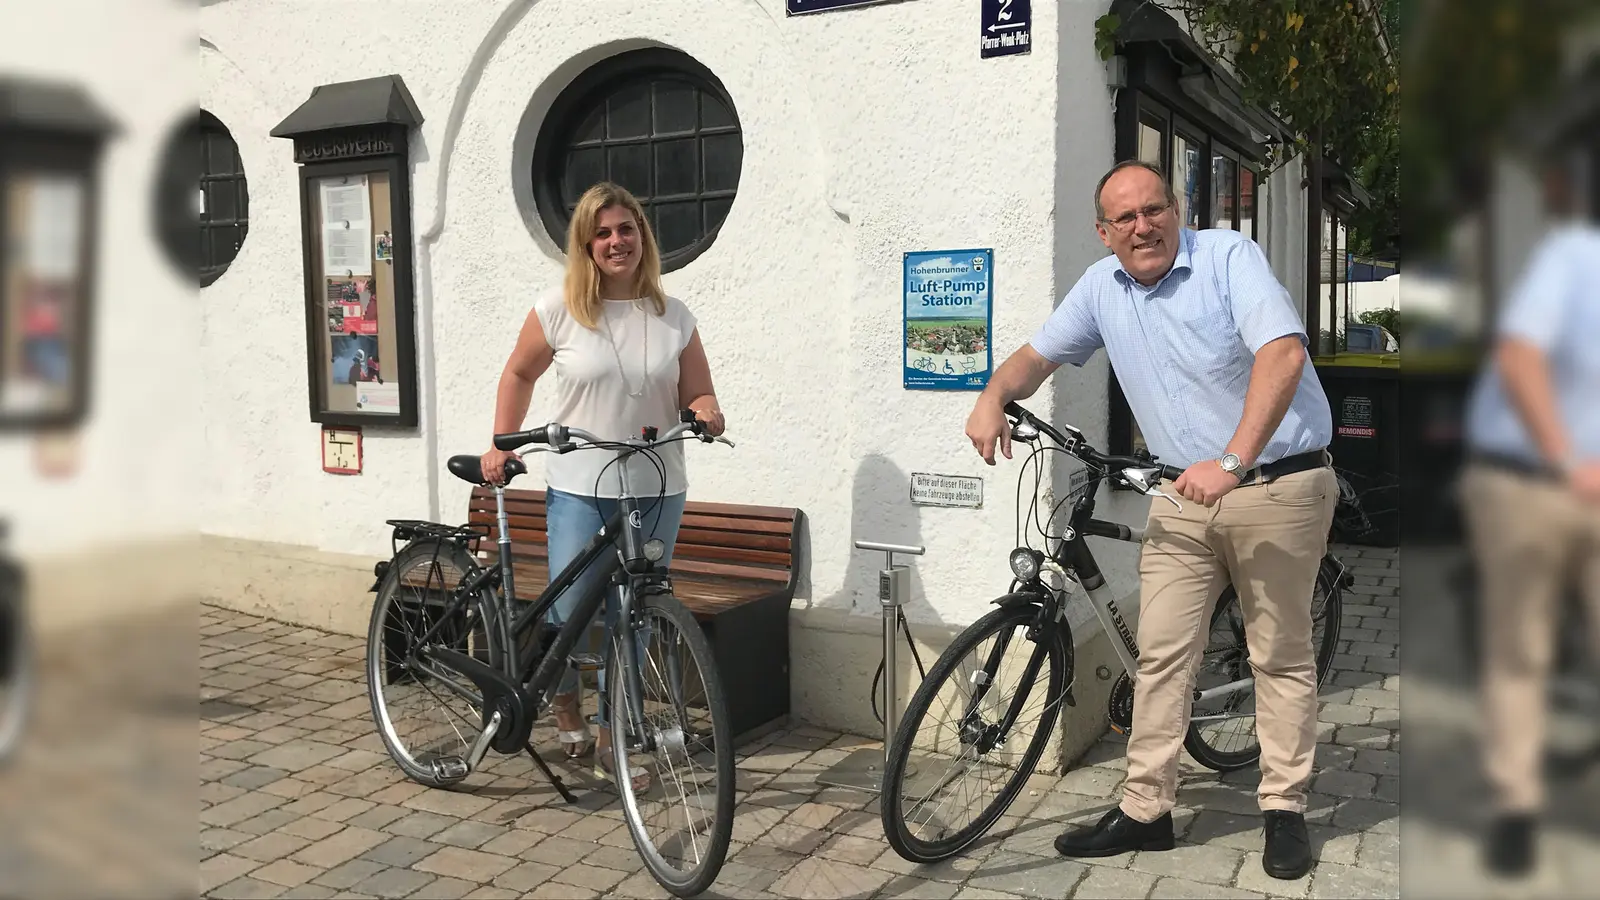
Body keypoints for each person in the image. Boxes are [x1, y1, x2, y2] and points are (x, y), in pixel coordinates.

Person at [965, 159, 1336, 880]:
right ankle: (1146, 812)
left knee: (1278, 655)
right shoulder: (1101, 288)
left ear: (1178, 208)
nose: (1144, 226)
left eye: (1154, 209)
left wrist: (1231, 462)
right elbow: (1036, 357)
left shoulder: (1230, 258)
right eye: (1125, 218)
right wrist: (990, 396)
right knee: (1161, 654)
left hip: (1275, 486)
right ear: (1104, 234)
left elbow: (1283, 354)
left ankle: (1284, 807)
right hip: (1179, 497)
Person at [477, 181, 725, 791]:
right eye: (604, 233)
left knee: (636, 616)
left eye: (627, 229)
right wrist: (501, 441)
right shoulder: (558, 309)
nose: (618, 242)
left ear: (643, 235)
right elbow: (518, 372)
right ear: (587, 245)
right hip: (581, 482)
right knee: (571, 612)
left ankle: (615, 738)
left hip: (658, 484)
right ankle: (564, 704)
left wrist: (709, 410)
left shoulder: (674, 316)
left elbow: (696, 389)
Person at [1459, 157, 1600, 878]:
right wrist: (1571, 459)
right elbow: (1519, 358)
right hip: (1533, 484)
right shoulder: (1575, 257)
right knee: (1522, 650)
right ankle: (1516, 806)